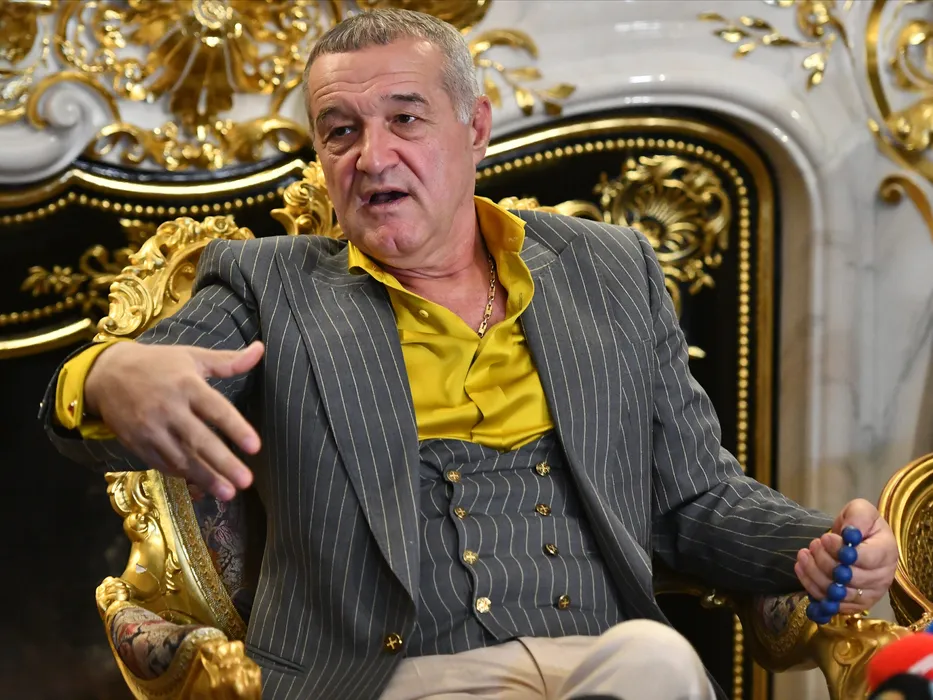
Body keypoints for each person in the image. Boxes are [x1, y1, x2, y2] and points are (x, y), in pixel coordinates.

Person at [42, 8, 898, 700]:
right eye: (338, 131)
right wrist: (110, 375)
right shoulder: (267, 285)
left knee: (654, 661)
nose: (371, 155)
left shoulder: (608, 267)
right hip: (386, 679)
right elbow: (103, 409)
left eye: (405, 119)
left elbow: (693, 499)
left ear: (475, 128)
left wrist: (824, 546)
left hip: (602, 662)